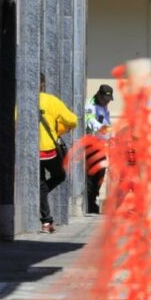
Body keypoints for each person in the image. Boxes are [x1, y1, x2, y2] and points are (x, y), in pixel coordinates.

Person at [39, 73, 78, 233]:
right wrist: (61, 127)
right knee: (60, 175)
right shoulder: (51, 100)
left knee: (40, 183)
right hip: (47, 149)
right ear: (43, 84)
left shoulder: (20, 99)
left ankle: (46, 221)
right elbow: (72, 120)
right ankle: (46, 219)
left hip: (30, 151)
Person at [84, 84, 114, 214]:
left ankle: (93, 200)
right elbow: (91, 122)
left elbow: (107, 122)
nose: (107, 102)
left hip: (101, 144)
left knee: (101, 173)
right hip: (91, 144)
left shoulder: (104, 106)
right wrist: (105, 129)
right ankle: (89, 202)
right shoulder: (90, 105)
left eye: (109, 99)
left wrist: (111, 136)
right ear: (99, 95)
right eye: (106, 99)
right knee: (92, 174)